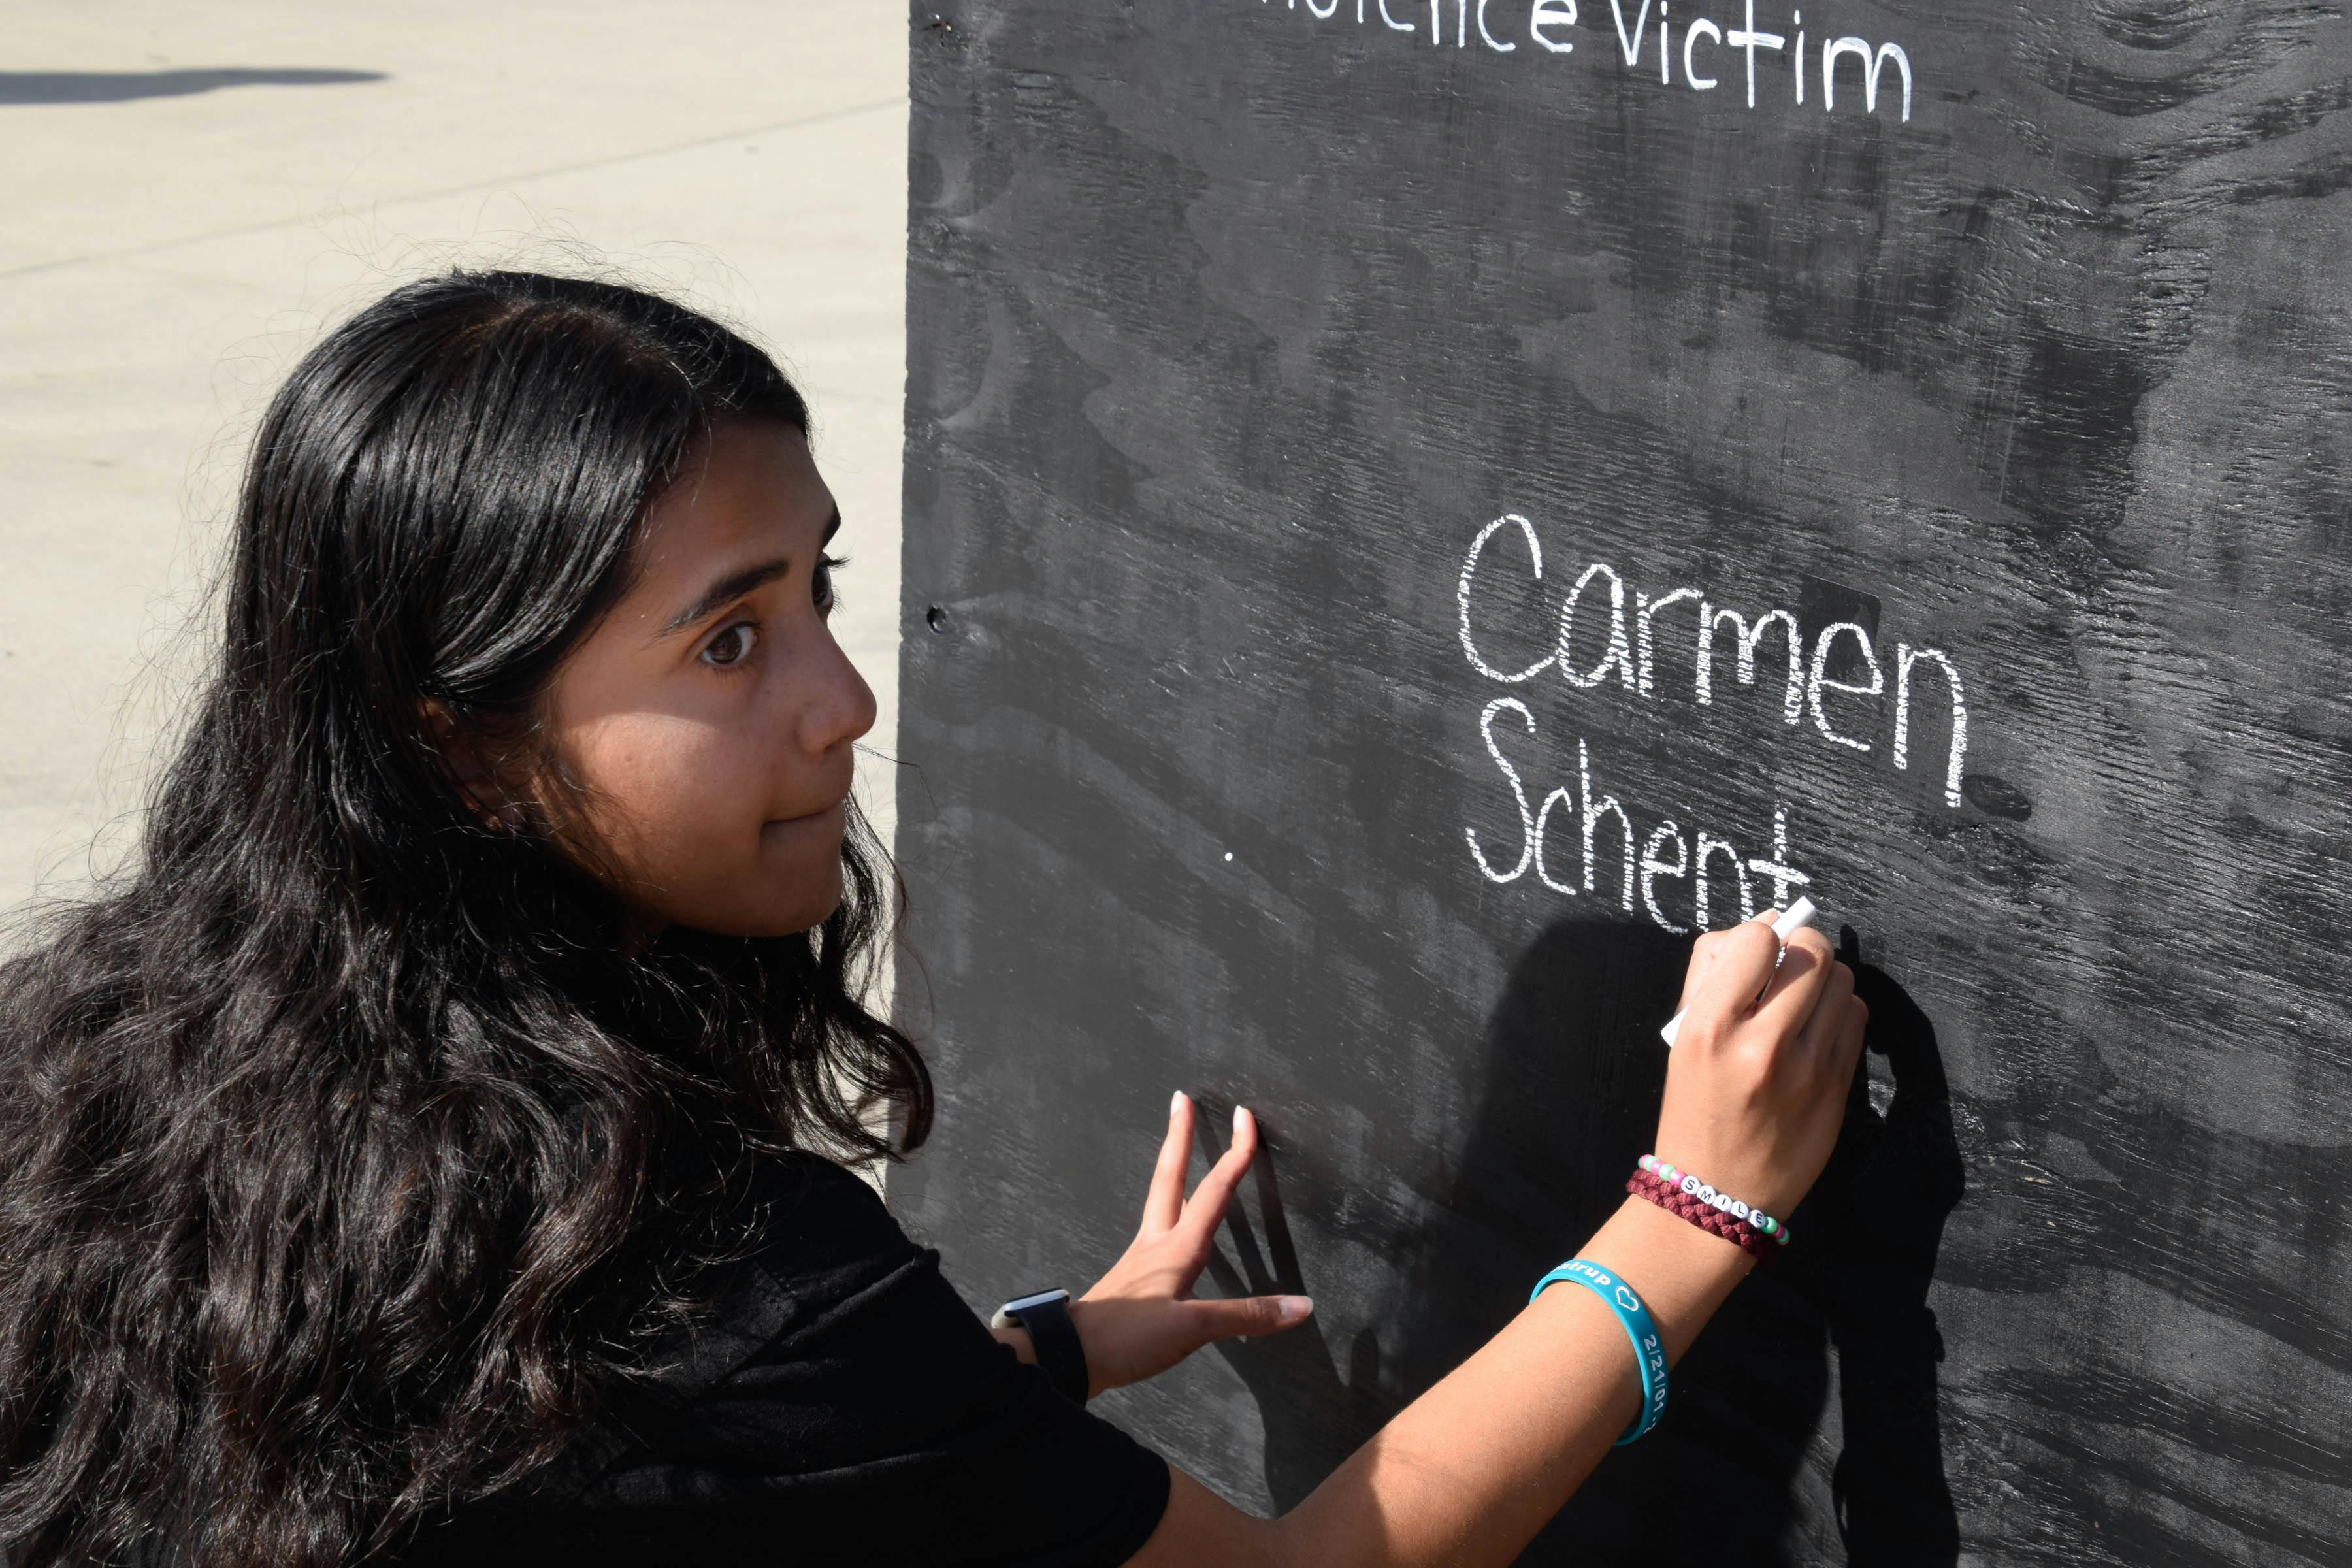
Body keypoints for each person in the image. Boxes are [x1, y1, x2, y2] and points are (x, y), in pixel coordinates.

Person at [0, 271, 1866, 1568]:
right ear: (464, 744)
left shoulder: (104, 1060)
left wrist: (1011, 1369)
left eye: (819, 588)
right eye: (729, 640)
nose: (844, 700)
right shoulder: (688, 1261)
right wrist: (1695, 1214)